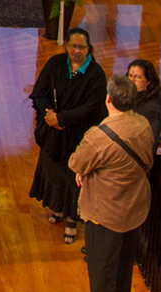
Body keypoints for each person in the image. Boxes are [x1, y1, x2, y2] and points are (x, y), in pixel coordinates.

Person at [69, 74, 155, 292]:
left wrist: (83, 173)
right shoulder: (143, 125)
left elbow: (76, 162)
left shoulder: (98, 137)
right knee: (123, 265)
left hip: (105, 214)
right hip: (135, 208)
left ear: (109, 100)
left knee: (101, 271)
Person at [29, 27, 108, 245]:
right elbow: (39, 93)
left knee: (74, 178)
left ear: (88, 48)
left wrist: (62, 119)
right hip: (54, 133)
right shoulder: (55, 64)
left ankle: (73, 218)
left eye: (81, 47)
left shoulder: (96, 74)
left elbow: (92, 108)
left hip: (78, 136)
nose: (77, 50)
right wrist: (50, 117)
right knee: (54, 173)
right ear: (66, 46)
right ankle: (58, 207)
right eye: (73, 46)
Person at [127, 58, 161, 146]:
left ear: (148, 81)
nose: (132, 81)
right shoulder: (129, 96)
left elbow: (150, 143)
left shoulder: (152, 111)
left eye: (138, 77)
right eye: (130, 76)